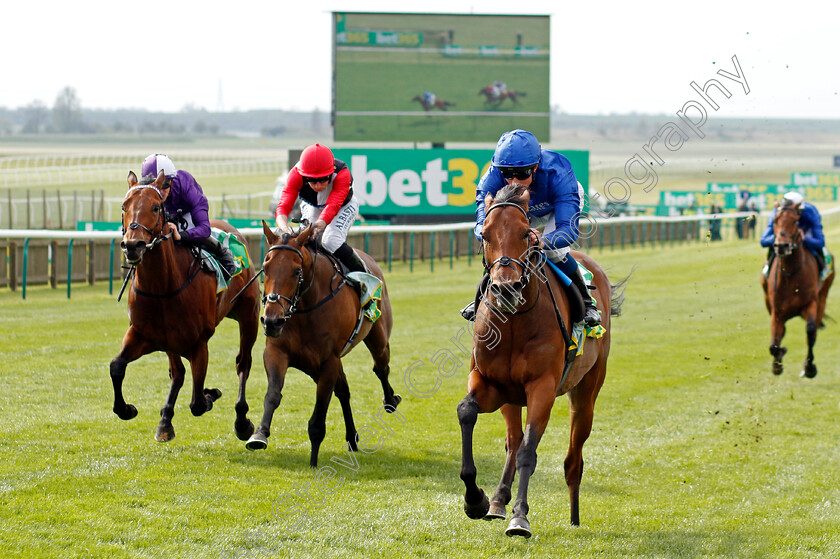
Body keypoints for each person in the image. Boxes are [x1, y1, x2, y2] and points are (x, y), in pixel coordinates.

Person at [462, 129, 601, 327]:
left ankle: (587, 303)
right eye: (507, 175)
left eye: (522, 174)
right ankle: (482, 298)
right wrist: (487, 234)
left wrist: (543, 240)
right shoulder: (492, 178)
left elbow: (567, 230)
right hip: (519, 208)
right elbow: (481, 226)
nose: (514, 181)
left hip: (555, 206)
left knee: (555, 251)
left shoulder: (559, 172)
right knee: (504, 245)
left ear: (535, 167)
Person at [139, 153, 238, 279]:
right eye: (155, 185)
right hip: (163, 213)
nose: (160, 190)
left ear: (172, 180)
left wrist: (181, 235)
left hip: (186, 213)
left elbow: (204, 229)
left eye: (165, 184)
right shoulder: (144, 194)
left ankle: (223, 254)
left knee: (189, 234)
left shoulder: (187, 189)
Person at [274, 143, 366, 273]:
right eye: (312, 180)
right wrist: (284, 228)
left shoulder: (342, 173)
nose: (318, 185)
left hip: (343, 206)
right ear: (304, 175)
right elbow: (283, 206)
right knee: (304, 241)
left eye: (323, 179)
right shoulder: (295, 174)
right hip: (313, 205)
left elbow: (333, 205)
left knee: (331, 241)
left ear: (331, 171)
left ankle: (365, 274)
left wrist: (321, 223)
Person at [760, 191, 827, 276]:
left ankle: (823, 270)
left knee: (821, 251)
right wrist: (779, 237)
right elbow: (763, 241)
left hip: (805, 236)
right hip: (784, 239)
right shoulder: (777, 213)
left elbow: (820, 242)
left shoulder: (810, 212)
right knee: (776, 246)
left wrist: (804, 239)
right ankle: (768, 269)